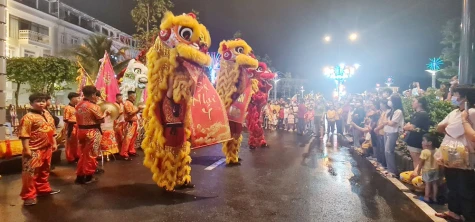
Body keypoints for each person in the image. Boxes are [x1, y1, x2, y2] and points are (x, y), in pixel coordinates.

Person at [435, 85, 475, 221]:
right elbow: (439, 127)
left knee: (465, 189)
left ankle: (468, 216)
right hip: (450, 156)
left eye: (456, 95)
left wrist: (449, 128)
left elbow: (464, 133)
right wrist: (449, 129)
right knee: (452, 186)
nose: (454, 98)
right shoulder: (455, 112)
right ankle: (453, 212)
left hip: (466, 157)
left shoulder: (472, 113)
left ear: (465, 98)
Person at [19, 93, 60, 206]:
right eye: (38, 101)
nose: (41, 103)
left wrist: (54, 143)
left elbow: (52, 130)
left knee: (45, 170)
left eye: (43, 100)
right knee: (30, 173)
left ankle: (43, 189)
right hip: (34, 149)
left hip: (47, 148)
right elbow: (24, 135)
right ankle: (28, 196)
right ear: (31, 103)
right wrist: (26, 149)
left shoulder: (47, 113)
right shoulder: (28, 117)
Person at [75, 86, 110, 184]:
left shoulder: (78, 104)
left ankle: (80, 176)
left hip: (81, 131)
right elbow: (101, 119)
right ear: (93, 94)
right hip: (92, 132)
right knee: (91, 155)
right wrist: (106, 113)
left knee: (83, 155)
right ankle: (88, 177)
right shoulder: (93, 106)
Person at [412, 134, 441, 204]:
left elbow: (421, 162)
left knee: (427, 184)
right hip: (436, 170)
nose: (422, 142)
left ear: (430, 143)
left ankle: (426, 197)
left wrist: (418, 171)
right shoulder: (437, 150)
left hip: (427, 171)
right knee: (435, 184)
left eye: (424, 140)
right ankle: (434, 198)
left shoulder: (425, 151)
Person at [404, 97, 430, 170]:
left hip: (416, 140)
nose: (412, 103)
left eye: (414, 101)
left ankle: (418, 178)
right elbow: (408, 125)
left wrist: (407, 127)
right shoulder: (417, 114)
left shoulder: (421, 114)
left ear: (420, 104)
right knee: (416, 160)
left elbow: (410, 127)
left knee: (417, 161)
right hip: (414, 140)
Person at [382, 95, 404, 177]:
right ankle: (389, 169)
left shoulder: (398, 111)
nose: (389, 102)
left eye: (390, 100)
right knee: (386, 151)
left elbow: (393, 123)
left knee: (389, 151)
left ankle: (393, 171)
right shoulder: (392, 110)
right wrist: (387, 122)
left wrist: (386, 122)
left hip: (393, 133)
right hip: (387, 131)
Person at [97, 92, 119, 160]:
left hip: (107, 124)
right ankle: (106, 154)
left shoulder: (102, 104)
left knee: (108, 139)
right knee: (105, 140)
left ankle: (107, 154)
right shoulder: (97, 105)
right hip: (104, 125)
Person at [121, 91, 141, 160]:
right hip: (130, 123)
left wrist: (138, 110)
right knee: (127, 138)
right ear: (131, 96)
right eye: (134, 96)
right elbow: (129, 113)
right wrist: (138, 109)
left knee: (132, 138)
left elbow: (134, 113)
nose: (135, 98)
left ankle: (131, 151)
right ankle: (124, 153)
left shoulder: (131, 104)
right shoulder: (127, 103)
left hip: (134, 123)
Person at [63, 92, 80, 163]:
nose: (79, 99)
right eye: (77, 98)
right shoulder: (67, 108)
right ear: (72, 98)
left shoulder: (76, 107)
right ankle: (70, 158)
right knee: (70, 143)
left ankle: (76, 156)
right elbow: (66, 119)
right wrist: (75, 121)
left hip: (77, 127)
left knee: (76, 143)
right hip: (71, 127)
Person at [374, 100, 389, 169]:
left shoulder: (386, 113)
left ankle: (384, 165)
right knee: (380, 148)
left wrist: (377, 128)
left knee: (383, 149)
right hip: (380, 132)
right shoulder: (383, 112)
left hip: (383, 132)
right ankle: (381, 163)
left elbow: (383, 123)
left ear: (385, 105)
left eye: (381, 104)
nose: (380, 105)